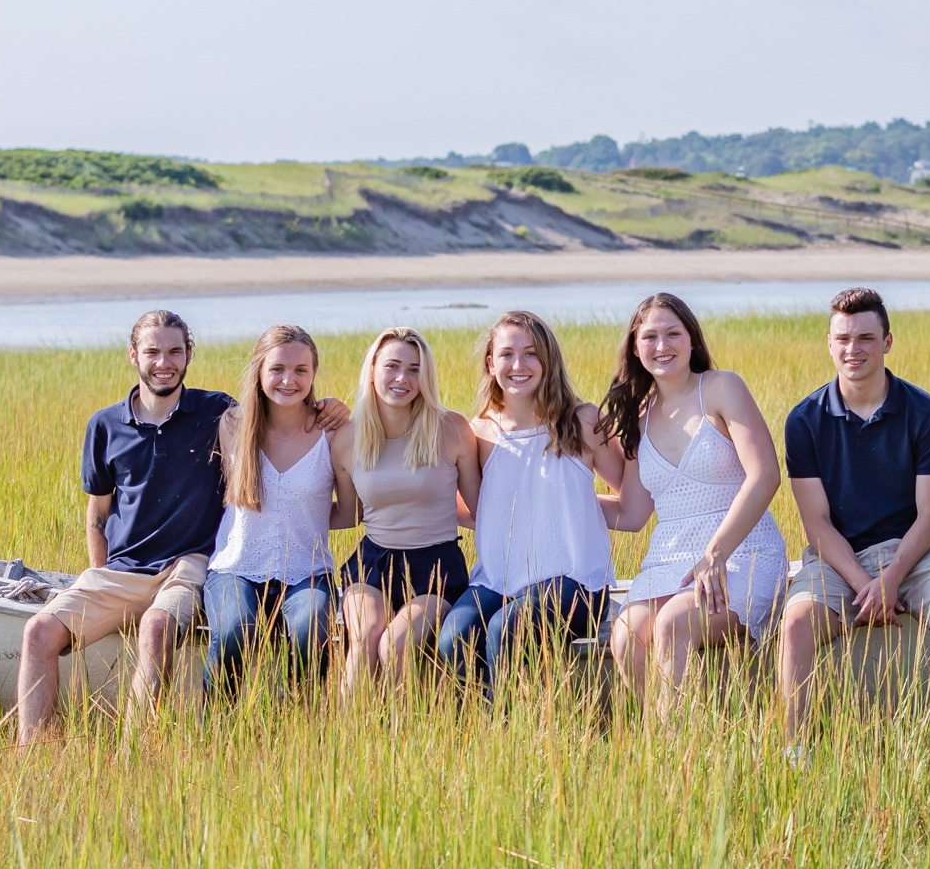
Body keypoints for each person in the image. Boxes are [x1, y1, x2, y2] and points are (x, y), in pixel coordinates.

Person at [16, 308, 232, 744]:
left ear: (189, 355)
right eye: (153, 351)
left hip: (187, 567)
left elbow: (279, 410)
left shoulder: (218, 411)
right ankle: (33, 756)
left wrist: (327, 410)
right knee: (37, 631)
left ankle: (135, 753)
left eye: (175, 351)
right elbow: (98, 512)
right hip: (121, 570)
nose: (164, 362)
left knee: (155, 627)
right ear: (134, 355)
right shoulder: (104, 425)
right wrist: (95, 573)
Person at [775, 287, 930, 733]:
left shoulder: (925, 413)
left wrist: (890, 579)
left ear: (887, 342)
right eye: (844, 339)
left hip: (915, 552)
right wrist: (865, 584)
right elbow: (817, 525)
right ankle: (793, 752)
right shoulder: (803, 421)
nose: (854, 350)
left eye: (866, 338)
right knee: (793, 626)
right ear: (829, 344)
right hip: (836, 558)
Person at [601, 291, 786, 723]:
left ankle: (676, 757)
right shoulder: (639, 415)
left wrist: (714, 554)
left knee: (671, 625)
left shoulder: (721, 388)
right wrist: (562, 502)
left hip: (740, 555)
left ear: (691, 339)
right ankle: (673, 738)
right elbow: (631, 514)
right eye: (650, 337)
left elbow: (766, 475)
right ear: (634, 346)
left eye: (672, 334)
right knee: (627, 634)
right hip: (669, 560)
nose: (661, 346)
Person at [438, 309, 631, 694]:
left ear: (548, 361)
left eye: (531, 354)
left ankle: (505, 734)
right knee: (455, 636)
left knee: (506, 628)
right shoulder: (479, 431)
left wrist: (570, 504)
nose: (518, 365)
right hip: (499, 579)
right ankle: (475, 728)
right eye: (507, 354)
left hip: (575, 583)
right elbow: (470, 507)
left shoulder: (583, 421)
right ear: (491, 364)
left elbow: (630, 495)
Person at [203, 324, 357, 689]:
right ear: (259, 371)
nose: (289, 380)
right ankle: (217, 732)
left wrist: (304, 519)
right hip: (234, 568)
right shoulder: (235, 424)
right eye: (277, 369)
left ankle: (298, 727)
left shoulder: (333, 433)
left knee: (309, 631)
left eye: (301, 370)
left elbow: (349, 512)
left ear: (314, 374)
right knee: (233, 634)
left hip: (307, 572)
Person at [335, 326, 484, 697]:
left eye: (415, 369)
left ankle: (400, 741)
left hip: (436, 567)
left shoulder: (451, 428)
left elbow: (482, 509)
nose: (402, 378)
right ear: (372, 370)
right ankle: (347, 740)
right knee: (366, 637)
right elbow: (350, 514)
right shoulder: (346, 438)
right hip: (371, 565)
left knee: (395, 644)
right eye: (393, 366)